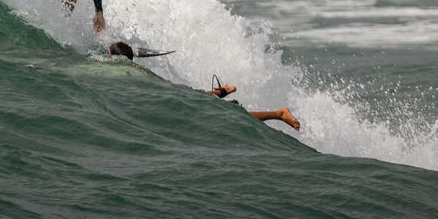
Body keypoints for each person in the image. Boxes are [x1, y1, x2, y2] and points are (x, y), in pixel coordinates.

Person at [106, 43, 300, 130]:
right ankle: (221, 91)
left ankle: (279, 113)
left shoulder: (125, 74)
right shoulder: (141, 72)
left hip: (171, 101)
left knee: (230, 117)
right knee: (206, 105)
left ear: (110, 56)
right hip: (175, 95)